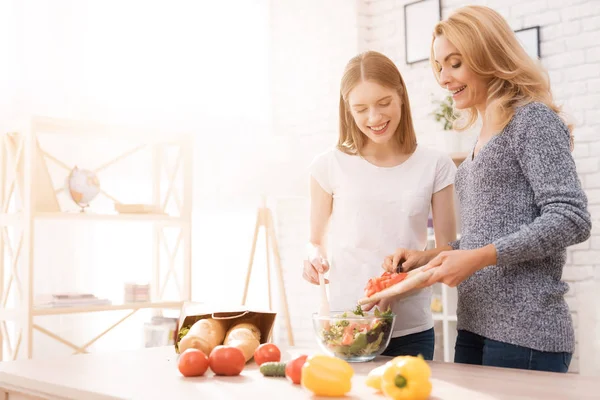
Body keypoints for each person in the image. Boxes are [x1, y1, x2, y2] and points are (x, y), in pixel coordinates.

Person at [383, 5, 591, 372]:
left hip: (526, 334)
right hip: (475, 326)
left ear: (489, 55)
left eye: (455, 63)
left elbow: (571, 218)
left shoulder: (532, 120)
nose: (444, 78)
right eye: (439, 66)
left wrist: (476, 258)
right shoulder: (481, 137)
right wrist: (430, 257)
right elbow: (488, 239)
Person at [303, 50, 457, 359]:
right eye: (360, 109)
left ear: (400, 95)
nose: (374, 118)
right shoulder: (328, 165)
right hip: (348, 322)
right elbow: (315, 242)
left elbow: (450, 249)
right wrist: (313, 259)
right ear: (347, 110)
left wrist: (398, 284)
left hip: (411, 328)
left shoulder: (435, 164)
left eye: (383, 103)